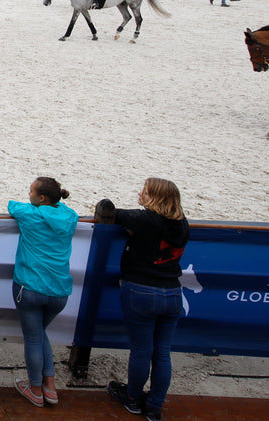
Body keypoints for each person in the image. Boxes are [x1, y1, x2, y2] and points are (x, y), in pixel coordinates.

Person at [101, 179, 189, 421]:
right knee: (162, 352)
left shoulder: (142, 219)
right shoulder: (183, 223)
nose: (139, 193)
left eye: (144, 191)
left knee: (141, 349)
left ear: (154, 198)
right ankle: (155, 406)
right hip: (172, 292)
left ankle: (133, 397)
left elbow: (106, 209)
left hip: (141, 290)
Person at [9, 178, 79, 408]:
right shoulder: (70, 217)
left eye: (30, 190)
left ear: (41, 198)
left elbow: (12, 206)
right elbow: (63, 210)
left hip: (29, 288)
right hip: (59, 292)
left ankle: (36, 389)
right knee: (40, 333)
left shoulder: (30, 214)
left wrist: (34, 207)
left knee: (33, 337)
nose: (27, 192)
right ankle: (50, 387)